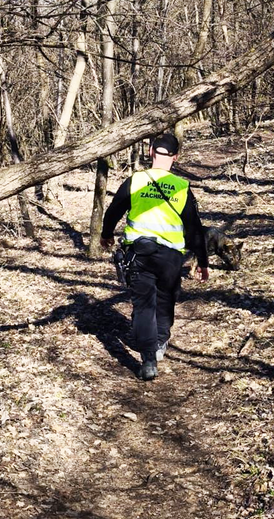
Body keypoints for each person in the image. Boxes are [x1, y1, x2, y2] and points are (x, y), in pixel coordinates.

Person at [100, 133, 208, 381]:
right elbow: (193, 229)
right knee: (165, 299)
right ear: (176, 157)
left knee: (143, 305)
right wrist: (202, 261)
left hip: (139, 253)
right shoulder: (182, 187)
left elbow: (113, 210)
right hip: (171, 257)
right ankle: (159, 343)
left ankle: (148, 360)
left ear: (150, 152)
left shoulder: (135, 181)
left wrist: (106, 234)